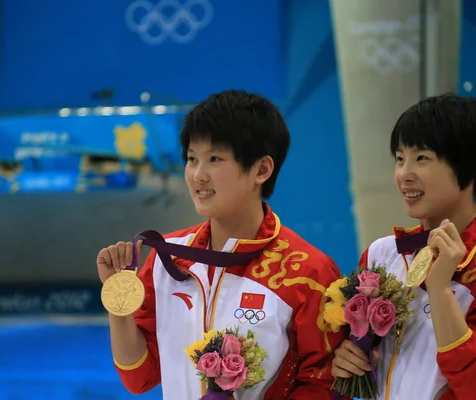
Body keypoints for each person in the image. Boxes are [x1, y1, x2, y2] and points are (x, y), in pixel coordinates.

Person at [97, 90, 345, 399]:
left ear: (261, 169)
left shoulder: (307, 273)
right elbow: (140, 378)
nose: (198, 175)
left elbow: (325, 386)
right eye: (191, 159)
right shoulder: (166, 259)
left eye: (215, 159)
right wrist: (118, 304)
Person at [330, 93, 476, 399]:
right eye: (400, 158)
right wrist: (348, 358)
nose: (404, 175)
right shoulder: (381, 253)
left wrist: (440, 291)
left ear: (470, 166)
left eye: (421, 158)